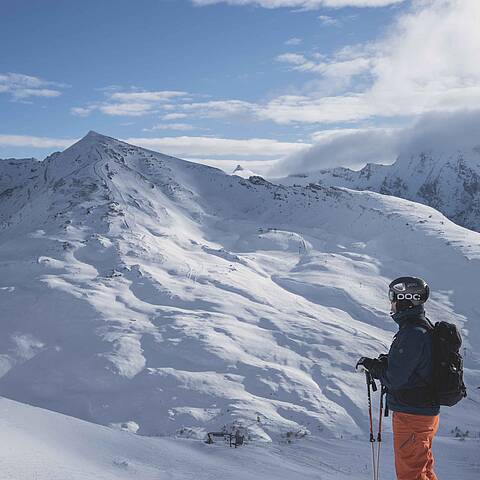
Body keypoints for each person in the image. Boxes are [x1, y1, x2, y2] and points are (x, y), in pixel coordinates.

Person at [357, 276, 440, 480]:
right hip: (422, 412)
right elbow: (408, 366)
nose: (391, 304)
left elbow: (394, 378)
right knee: (423, 470)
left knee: (411, 473)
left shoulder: (413, 333)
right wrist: (384, 362)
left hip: (412, 415)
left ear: (406, 300)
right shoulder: (420, 327)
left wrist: (374, 367)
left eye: (393, 298)